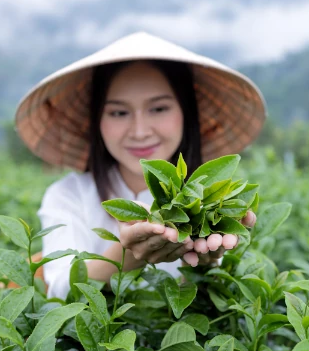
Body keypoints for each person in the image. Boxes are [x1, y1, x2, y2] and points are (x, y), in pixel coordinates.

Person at [14, 32, 267, 299]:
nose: (139, 131)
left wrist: (209, 266)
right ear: (97, 119)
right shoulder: (69, 195)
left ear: (186, 111)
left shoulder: (213, 199)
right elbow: (58, 290)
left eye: (158, 109)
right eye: (119, 113)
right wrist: (122, 259)